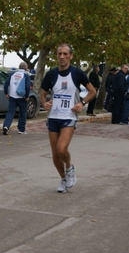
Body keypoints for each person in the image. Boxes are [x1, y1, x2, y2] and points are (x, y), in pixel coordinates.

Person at [40, 43, 96, 193]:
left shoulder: (77, 73)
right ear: (57, 56)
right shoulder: (51, 74)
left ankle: (70, 167)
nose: (62, 57)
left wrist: (82, 103)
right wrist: (44, 103)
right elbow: (42, 94)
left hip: (69, 116)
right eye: (60, 54)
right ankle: (64, 179)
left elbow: (92, 91)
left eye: (65, 54)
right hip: (53, 117)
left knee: (61, 148)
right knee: (55, 153)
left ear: (71, 56)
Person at [2, 62, 31, 135]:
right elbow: (27, 87)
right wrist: (27, 96)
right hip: (21, 97)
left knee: (10, 112)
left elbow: (6, 84)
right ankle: (21, 129)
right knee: (22, 113)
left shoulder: (13, 75)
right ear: (25, 68)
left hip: (12, 96)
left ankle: (6, 126)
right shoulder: (26, 76)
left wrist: (6, 93)